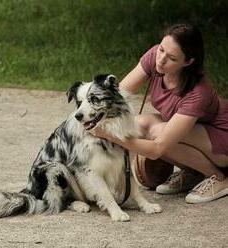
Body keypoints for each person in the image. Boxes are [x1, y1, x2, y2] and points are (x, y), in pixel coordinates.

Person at [91, 23, 228, 204]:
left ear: (188, 62)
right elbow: (119, 97)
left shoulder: (198, 92)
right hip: (196, 132)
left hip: (221, 138)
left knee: (157, 133)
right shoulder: (155, 57)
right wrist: (91, 117)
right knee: (138, 124)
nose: (161, 60)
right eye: (161, 49)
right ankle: (194, 173)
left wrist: (111, 135)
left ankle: (218, 178)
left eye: (171, 58)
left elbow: (157, 149)